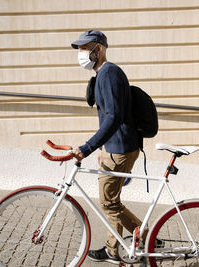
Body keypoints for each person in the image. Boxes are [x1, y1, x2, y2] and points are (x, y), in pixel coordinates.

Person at [71, 30, 145, 264]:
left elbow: (113, 117)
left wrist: (88, 147)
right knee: (111, 201)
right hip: (114, 148)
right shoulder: (102, 74)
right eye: (79, 49)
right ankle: (122, 244)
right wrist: (103, 150)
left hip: (121, 148)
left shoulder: (110, 73)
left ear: (99, 49)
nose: (81, 53)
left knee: (108, 202)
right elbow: (106, 117)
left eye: (85, 48)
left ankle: (139, 239)